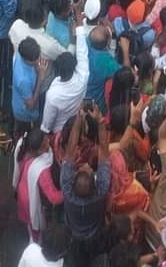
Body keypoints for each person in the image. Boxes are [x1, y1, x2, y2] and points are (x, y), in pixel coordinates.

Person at [60, 106, 111, 264]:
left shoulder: (67, 190)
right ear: (94, 181)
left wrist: (78, 120)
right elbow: (104, 149)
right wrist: (100, 121)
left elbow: (70, 148)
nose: (88, 166)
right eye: (89, 170)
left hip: (72, 236)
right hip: (94, 237)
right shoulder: (101, 190)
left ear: (73, 180)